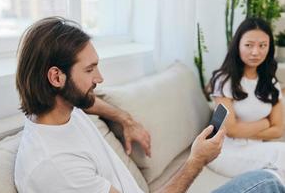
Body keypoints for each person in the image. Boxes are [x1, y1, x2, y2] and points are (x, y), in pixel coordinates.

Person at [14, 16, 285, 193]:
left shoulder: (60, 109)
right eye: (90, 70)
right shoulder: (56, 166)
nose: (100, 78)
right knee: (267, 183)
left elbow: (90, 103)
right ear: (56, 77)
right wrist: (196, 160)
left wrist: (126, 120)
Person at [208, 17, 285, 186]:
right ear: (238, 46)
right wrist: (265, 123)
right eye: (249, 45)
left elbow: (278, 130)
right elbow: (231, 130)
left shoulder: (270, 82)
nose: (255, 52)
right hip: (224, 151)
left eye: (262, 45)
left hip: (256, 148)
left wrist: (244, 130)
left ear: (269, 48)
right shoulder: (223, 80)